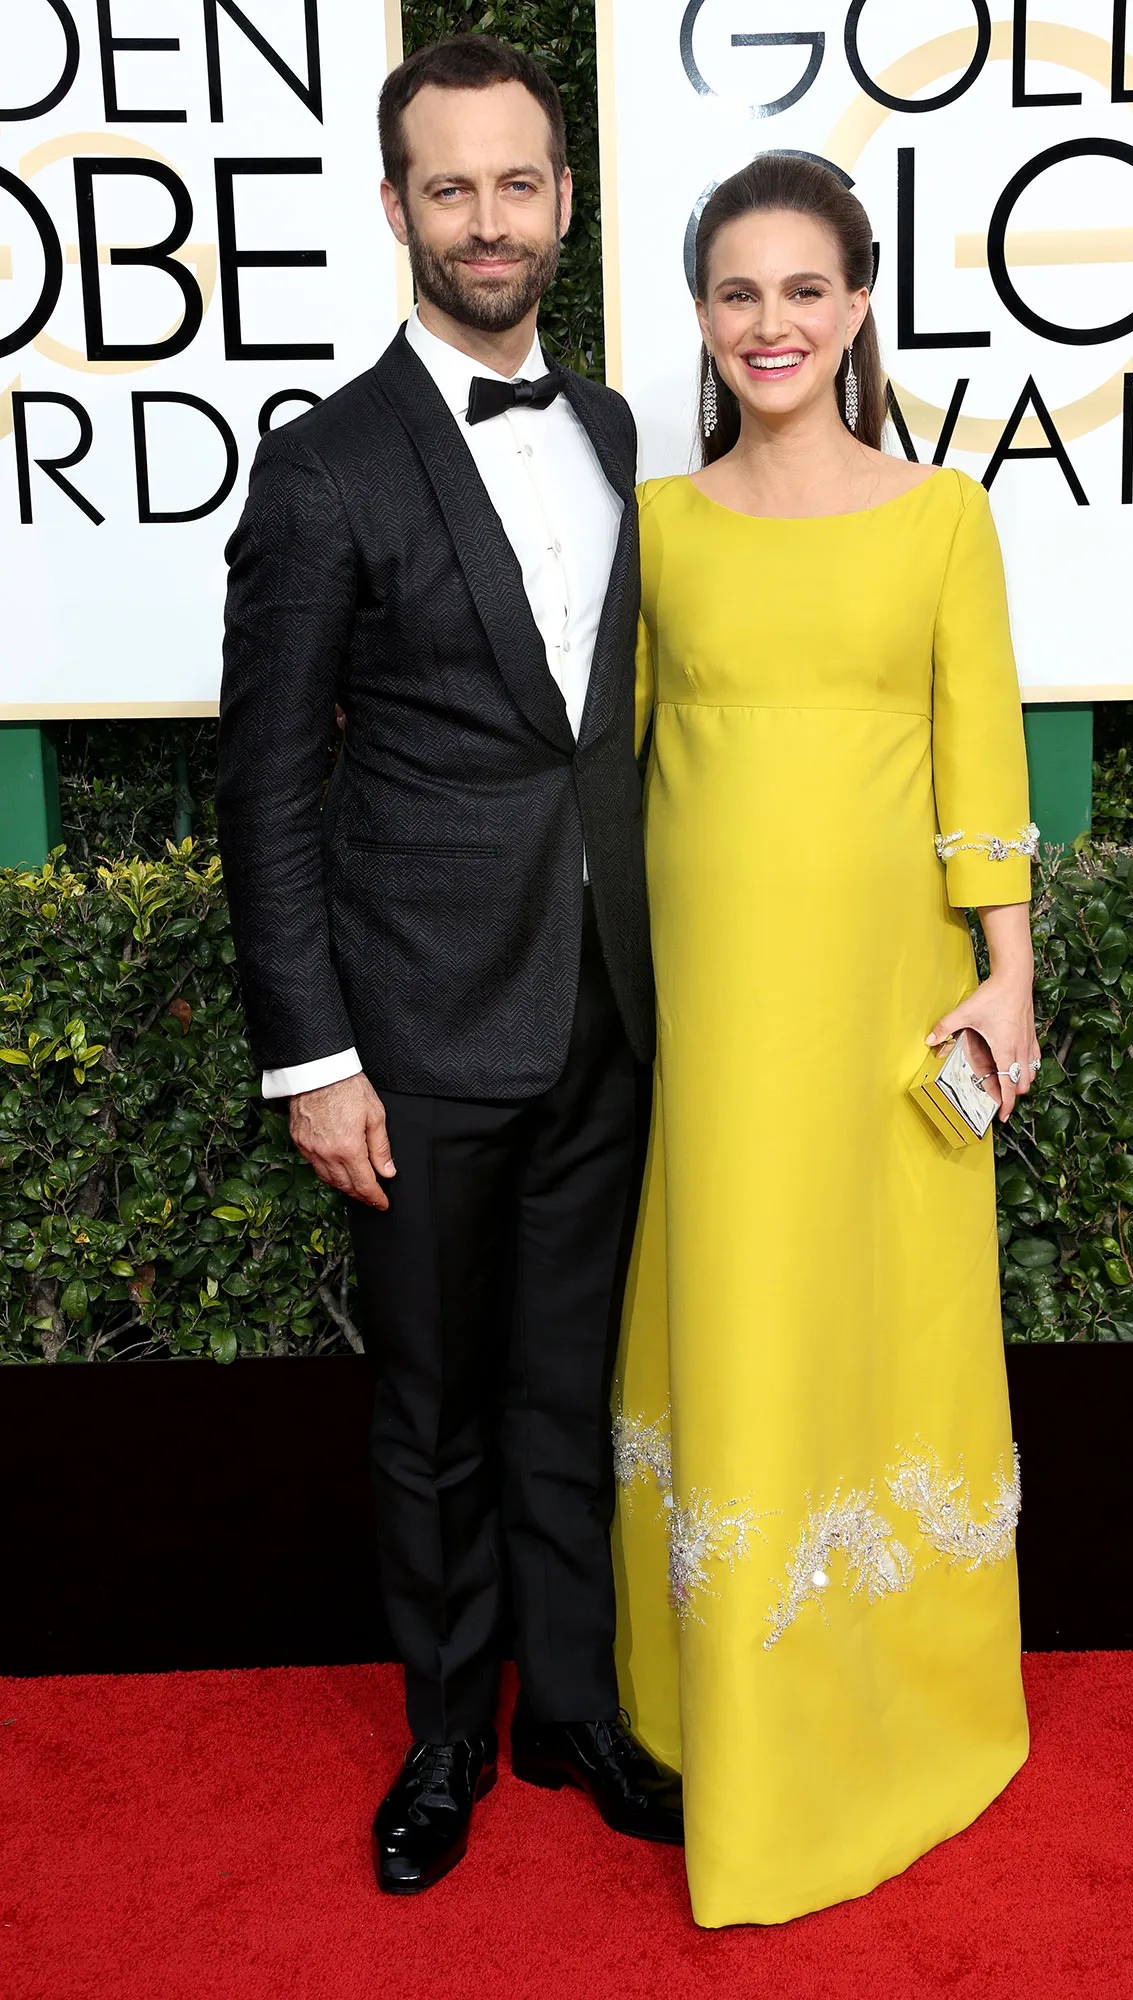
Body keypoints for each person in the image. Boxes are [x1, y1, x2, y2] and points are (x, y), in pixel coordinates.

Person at [216, 33, 683, 1897]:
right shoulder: (325, 467)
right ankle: (442, 1735)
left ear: (564, 201)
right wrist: (313, 1057)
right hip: (414, 1033)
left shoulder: (623, 432)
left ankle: (569, 1706)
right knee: (430, 1410)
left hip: (608, 1007)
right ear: (397, 207)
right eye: (450, 187)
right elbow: (264, 784)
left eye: (517, 183)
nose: (488, 220)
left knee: (566, 1386)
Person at [613, 154, 1039, 1928]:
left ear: (859, 304)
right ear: (703, 319)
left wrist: (1008, 977)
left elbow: (980, 753)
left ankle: (897, 1702)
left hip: (885, 1006)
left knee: (881, 1310)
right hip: (716, 1015)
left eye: (804, 289)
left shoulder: (943, 516)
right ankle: (713, 1707)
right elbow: (603, 767)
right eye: (738, 292)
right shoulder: (659, 525)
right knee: (734, 1299)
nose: (771, 323)